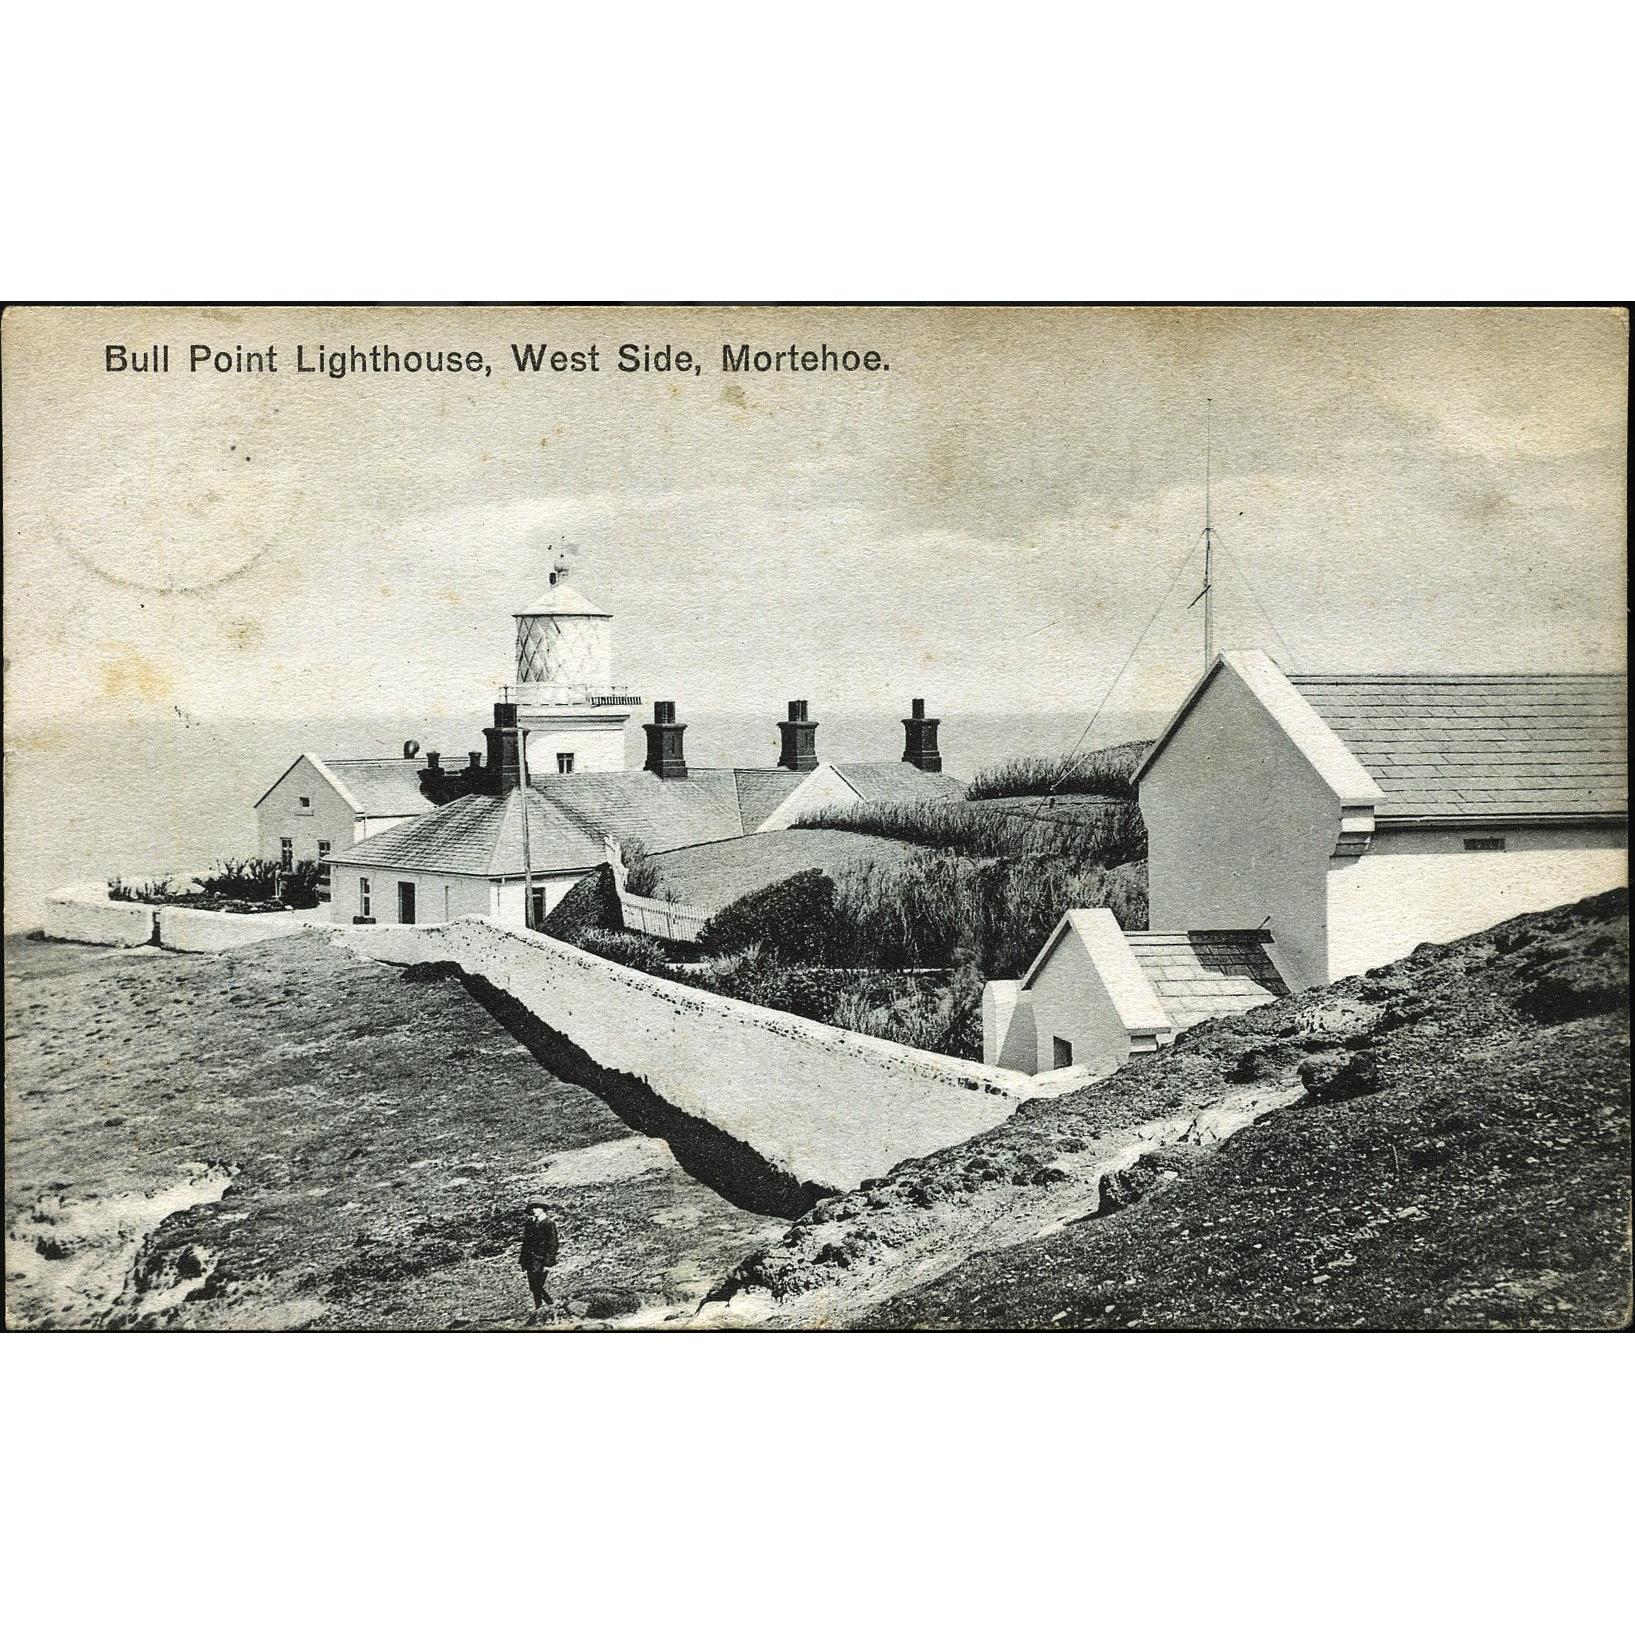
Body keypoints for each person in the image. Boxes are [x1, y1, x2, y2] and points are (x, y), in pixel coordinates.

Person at [519, 1200, 559, 1321]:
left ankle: (550, 1305)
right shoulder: (530, 1223)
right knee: (533, 1287)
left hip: (541, 1260)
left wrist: (548, 1262)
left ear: (542, 1208)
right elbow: (525, 1243)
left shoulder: (548, 1223)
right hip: (530, 1260)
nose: (533, 1210)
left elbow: (553, 1244)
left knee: (537, 1286)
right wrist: (523, 1260)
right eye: (532, 1208)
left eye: (536, 1207)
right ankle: (540, 1310)